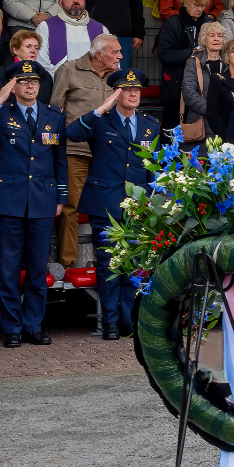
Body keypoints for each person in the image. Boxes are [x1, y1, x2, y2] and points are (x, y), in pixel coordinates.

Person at [0, 61, 70, 347]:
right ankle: (11, 327)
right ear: (13, 85)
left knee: (38, 270)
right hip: (8, 201)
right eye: (23, 81)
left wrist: (61, 197)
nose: (30, 86)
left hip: (43, 199)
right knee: (9, 269)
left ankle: (33, 326)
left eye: (34, 81)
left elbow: (59, 160)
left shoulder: (55, 115)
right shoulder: (1, 113)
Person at [67, 68, 160, 339]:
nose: (133, 94)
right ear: (115, 93)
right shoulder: (101, 120)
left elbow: (151, 166)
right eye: (126, 89)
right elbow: (72, 133)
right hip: (105, 203)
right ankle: (109, 321)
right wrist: (100, 109)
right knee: (109, 262)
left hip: (138, 204)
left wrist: (151, 201)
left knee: (133, 262)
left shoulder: (149, 124)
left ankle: (128, 319)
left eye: (136, 90)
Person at [54, 33, 124, 269]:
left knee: (108, 208)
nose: (120, 56)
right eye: (115, 52)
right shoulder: (69, 70)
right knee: (71, 208)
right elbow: (55, 110)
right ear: (98, 54)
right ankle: (69, 264)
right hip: (75, 150)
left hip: (108, 154)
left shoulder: (119, 76)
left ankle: (108, 261)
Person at [156, 0, 211, 131]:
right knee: (171, 128)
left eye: (202, 5)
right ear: (185, 3)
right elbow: (164, 54)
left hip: (200, 85)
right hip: (175, 84)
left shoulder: (207, 23)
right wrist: (192, 53)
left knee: (197, 129)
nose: (199, 9)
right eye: (196, 5)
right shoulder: (173, 22)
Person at [35, 0, 106, 72]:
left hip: (93, 83)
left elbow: (110, 61)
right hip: (60, 83)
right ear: (60, 3)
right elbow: (41, 62)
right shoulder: (45, 27)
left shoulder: (101, 30)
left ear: (84, 0)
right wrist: (63, 80)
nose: (75, 0)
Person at [0, 30, 55, 108]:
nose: (33, 51)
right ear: (15, 50)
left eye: (36, 48)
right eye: (28, 47)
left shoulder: (44, 75)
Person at [180, 22, 229, 139]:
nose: (216, 39)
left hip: (225, 123)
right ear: (204, 40)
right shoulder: (193, 62)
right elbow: (189, 94)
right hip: (200, 122)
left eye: (220, 36)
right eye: (212, 35)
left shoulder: (229, 63)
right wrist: (213, 111)